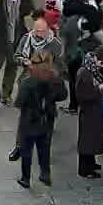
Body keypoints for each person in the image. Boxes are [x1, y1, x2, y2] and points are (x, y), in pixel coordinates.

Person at [12, 52, 65, 187]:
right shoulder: (55, 79)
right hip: (47, 119)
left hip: (29, 121)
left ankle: (26, 178)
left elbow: (19, 102)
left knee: (26, 151)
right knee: (44, 148)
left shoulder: (27, 83)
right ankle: (45, 174)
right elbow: (63, 95)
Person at [74, 43, 103, 178]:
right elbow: (81, 94)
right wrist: (99, 90)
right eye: (102, 63)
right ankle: (85, 169)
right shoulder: (84, 72)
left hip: (95, 111)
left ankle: (90, 163)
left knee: (92, 139)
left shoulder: (93, 70)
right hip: (89, 112)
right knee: (87, 141)